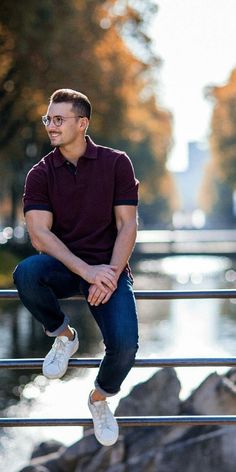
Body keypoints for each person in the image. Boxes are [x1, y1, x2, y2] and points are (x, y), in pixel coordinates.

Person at [13, 88, 139, 447]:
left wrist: (110, 274)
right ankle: (64, 336)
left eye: (58, 119)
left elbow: (128, 225)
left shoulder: (117, 163)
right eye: (48, 119)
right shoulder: (40, 173)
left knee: (125, 345)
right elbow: (39, 235)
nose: (50, 126)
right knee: (26, 273)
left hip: (110, 270)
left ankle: (99, 399)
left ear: (82, 123)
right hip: (66, 267)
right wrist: (87, 272)